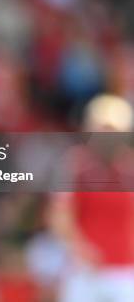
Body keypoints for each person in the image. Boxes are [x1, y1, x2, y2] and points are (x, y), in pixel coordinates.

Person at [48, 94, 134, 302]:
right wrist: (79, 247)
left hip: (125, 269)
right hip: (86, 270)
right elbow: (59, 215)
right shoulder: (75, 165)